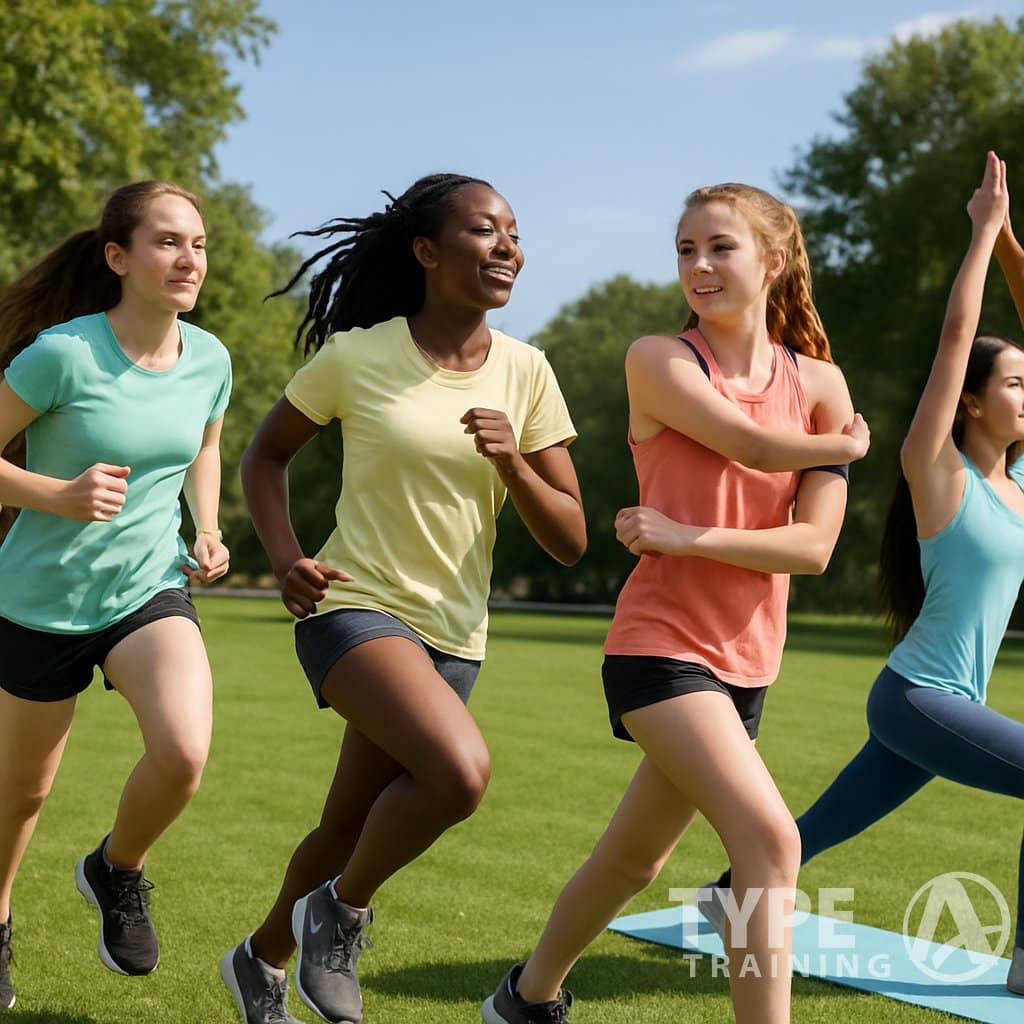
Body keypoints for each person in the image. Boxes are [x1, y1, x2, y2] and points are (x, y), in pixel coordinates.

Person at [481, 181, 869, 1024]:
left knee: (633, 862)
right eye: (686, 249)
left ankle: (525, 998)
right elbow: (748, 442)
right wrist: (843, 446)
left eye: (719, 247)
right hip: (659, 646)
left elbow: (812, 549)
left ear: (771, 260)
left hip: (749, 659)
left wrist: (689, 537)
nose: (698, 265)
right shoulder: (658, 359)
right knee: (772, 840)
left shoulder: (823, 385)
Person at [218, 173, 587, 1024]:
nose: (508, 248)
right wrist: (285, 559)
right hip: (354, 610)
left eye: (515, 233)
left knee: (347, 825)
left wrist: (514, 464)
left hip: (455, 639)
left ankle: (261, 957)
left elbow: (569, 537)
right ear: (427, 251)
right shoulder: (358, 355)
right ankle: (341, 916)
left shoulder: (528, 373)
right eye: (484, 231)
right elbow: (265, 457)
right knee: (460, 775)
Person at [702, 152, 1024, 996]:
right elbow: (957, 340)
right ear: (975, 403)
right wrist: (982, 236)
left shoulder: (1018, 487)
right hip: (923, 700)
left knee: (806, 836)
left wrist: (1015, 243)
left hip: (940, 705)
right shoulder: (938, 470)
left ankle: (728, 895)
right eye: (1016, 384)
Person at [0, 180, 232, 1010]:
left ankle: (116, 867)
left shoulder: (209, 357)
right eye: (168, 241)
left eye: (197, 244)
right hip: (39, 601)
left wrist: (204, 528)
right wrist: (54, 495)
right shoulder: (62, 354)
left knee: (185, 753)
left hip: (147, 588)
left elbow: (203, 445)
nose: (189, 258)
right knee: (22, 793)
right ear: (118, 257)